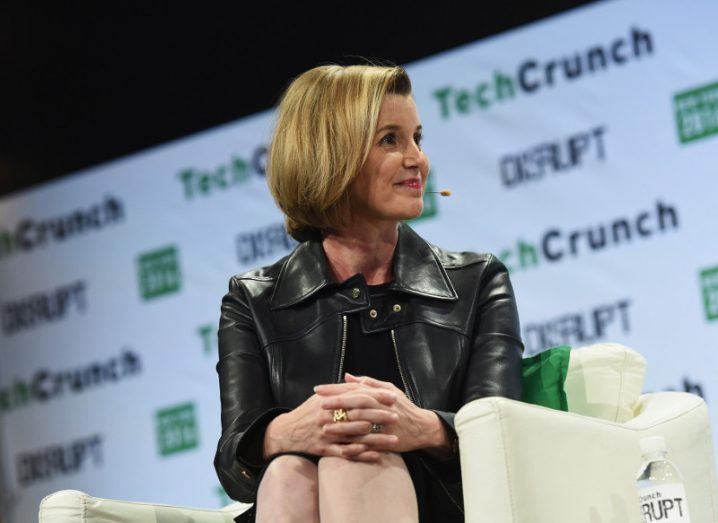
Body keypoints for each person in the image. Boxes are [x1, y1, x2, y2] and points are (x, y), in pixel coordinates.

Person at [214, 63, 523, 523]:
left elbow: (503, 440)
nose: (417, 158)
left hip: (440, 507)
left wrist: (422, 427)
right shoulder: (252, 300)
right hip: (293, 504)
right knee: (286, 472)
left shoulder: (477, 282)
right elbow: (234, 467)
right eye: (390, 140)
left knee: (353, 461)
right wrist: (288, 432)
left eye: (418, 138)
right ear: (331, 156)